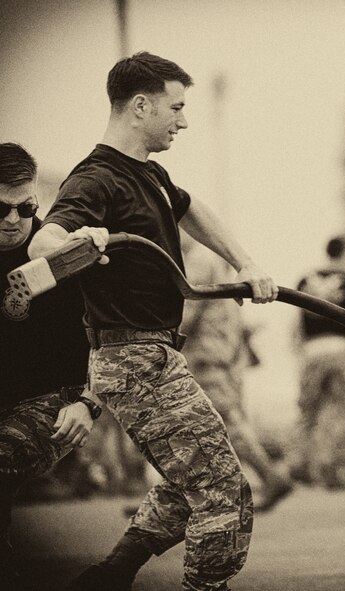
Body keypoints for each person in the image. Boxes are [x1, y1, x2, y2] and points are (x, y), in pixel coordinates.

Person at [28, 52, 278, 591]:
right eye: (176, 108)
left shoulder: (150, 174)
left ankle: (111, 574)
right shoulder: (96, 179)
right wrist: (78, 239)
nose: (183, 121)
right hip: (133, 360)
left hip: (157, 357)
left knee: (187, 478)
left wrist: (247, 263)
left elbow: (192, 209)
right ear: (140, 106)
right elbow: (43, 239)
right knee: (222, 491)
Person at [0, 142, 98, 589]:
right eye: (0, 209)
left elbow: (114, 333)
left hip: (53, 403)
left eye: (25, 208)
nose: (12, 221)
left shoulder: (61, 253)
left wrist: (89, 402)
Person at [179, 234, 293, 511]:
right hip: (217, 353)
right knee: (202, 423)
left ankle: (270, 475)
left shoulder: (197, 261)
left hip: (205, 354)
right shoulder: (206, 261)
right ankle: (180, 494)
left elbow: (185, 313)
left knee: (223, 418)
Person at [289, 235, 345, 488]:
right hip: (341, 350)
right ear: (344, 252)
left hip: (312, 351)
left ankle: (298, 464)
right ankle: (333, 465)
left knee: (308, 411)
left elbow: (296, 324)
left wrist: (299, 352)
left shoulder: (305, 279)